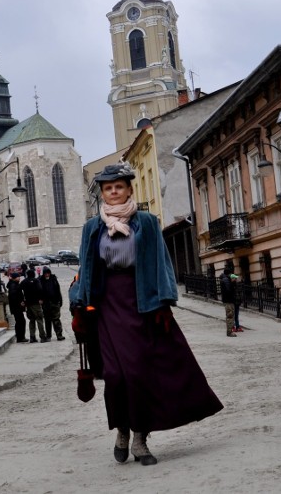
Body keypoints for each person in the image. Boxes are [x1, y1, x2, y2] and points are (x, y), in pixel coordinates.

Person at [69, 162, 223, 466]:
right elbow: (85, 269)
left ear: (129, 189)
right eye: (107, 188)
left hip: (141, 302)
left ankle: (140, 437)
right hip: (105, 306)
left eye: (119, 186)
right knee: (113, 376)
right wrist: (78, 302)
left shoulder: (147, 222)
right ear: (102, 193)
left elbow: (162, 262)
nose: (113, 191)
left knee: (138, 373)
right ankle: (122, 431)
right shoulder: (92, 227)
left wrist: (164, 300)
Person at [20, 269, 48, 343]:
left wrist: (23, 300)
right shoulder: (36, 281)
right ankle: (42, 337)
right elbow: (40, 290)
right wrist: (41, 299)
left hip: (28, 304)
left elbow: (19, 290)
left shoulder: (24, 282)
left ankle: (32, 337)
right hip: (36, 303)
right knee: (39, 320)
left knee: (31, 321)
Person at [38, 267, 65, 341]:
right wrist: (40, 299)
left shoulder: (53, 279)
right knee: (47, 320)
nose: (47, 275)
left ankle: (59, 335)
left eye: (48, 273)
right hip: (46, 303)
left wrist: (60, 300)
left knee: (56, 319)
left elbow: (58, 290)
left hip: (55, 302)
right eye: (45, 273)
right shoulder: (40, 280)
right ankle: (48, 335)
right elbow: (38, 291)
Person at [6, 271, 27, 343]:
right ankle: (20, 337)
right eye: (18, 277)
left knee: (20, 321)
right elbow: (13, 296)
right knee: (20, 322)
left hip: (16, 307)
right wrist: (20, 302)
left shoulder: (14, 284)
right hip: (16, 307)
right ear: (15, 278)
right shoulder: (13, 285)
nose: (19, 278)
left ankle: (21, 337)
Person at [219, 267, 238, 337]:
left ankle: (230, 331)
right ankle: (229, 332)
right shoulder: (226, 280)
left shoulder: (225, 279)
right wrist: (233, 283)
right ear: (229, 273)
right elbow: (229, 291)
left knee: (230, 315)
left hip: (228, 300)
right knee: (230, 315)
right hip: (229, 300)